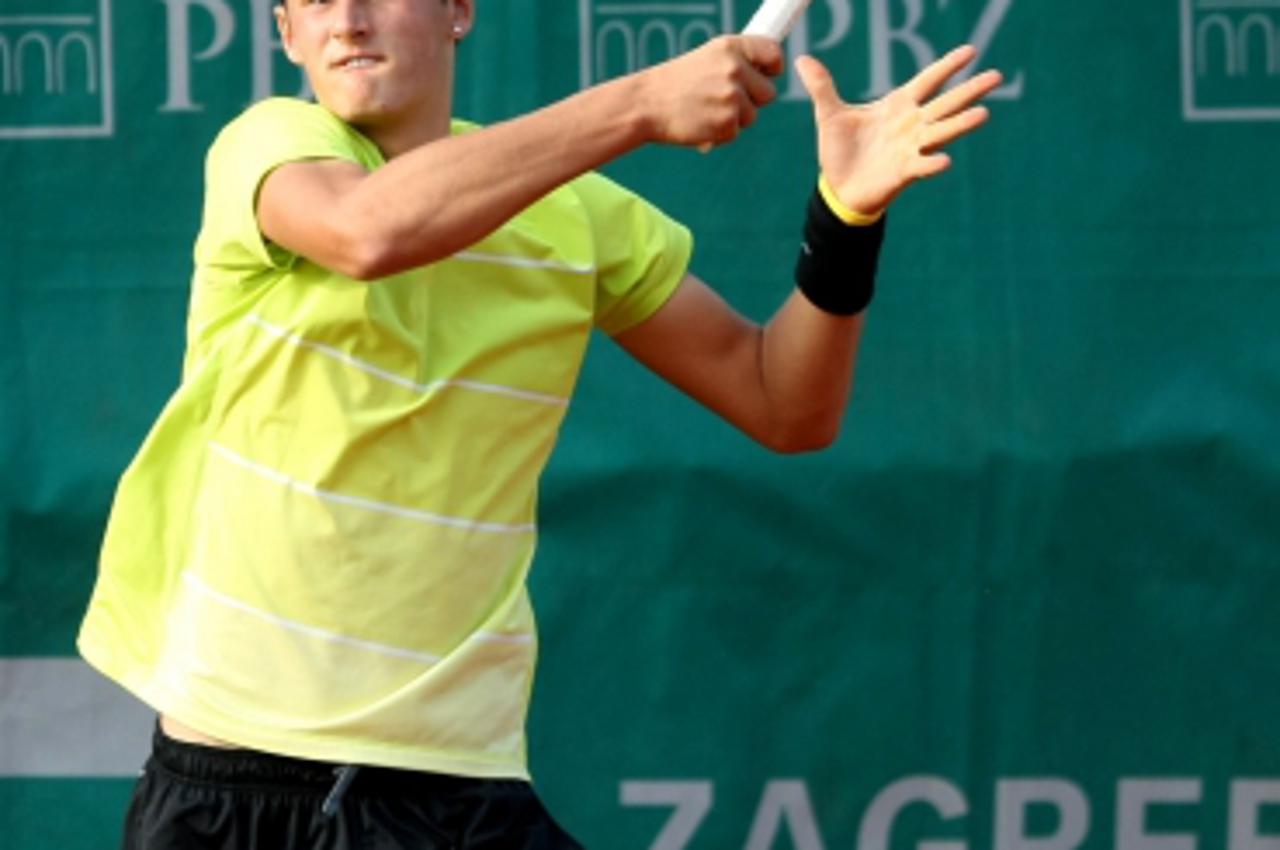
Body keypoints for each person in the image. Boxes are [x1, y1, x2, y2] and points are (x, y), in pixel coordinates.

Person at [77, 0, 1002, 847]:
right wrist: (641, 102)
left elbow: (784, 403)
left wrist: (845, 218)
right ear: (285, 34)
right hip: (243, 790)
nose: (348, 20)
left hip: (460, 784)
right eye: (312, 0)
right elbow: (368, 231)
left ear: (457, 11)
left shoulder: (578, 219)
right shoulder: (268, 146)